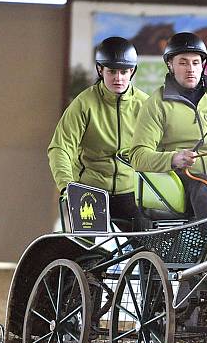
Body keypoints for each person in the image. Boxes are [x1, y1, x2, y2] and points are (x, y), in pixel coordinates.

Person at [130, 32, 207, 219]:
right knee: (203, 185)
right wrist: (174, 158)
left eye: (195, 62)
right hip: (177, 180)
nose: (190, 69)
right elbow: (138, 157)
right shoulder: (156, 103)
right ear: (170, 65)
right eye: (183, 62)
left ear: (202, 65)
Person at [48, 36, 149, 231]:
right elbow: (60, 148)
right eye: (111, 71)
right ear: (100, 70)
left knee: (149, 242)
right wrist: (67, 187)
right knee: (84, 249)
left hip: (130, 191)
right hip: (89, 190)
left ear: (132, 71)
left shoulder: (145, 105)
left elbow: (160, 147)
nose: (118, 78)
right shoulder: (84, 103)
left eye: (124, 72)